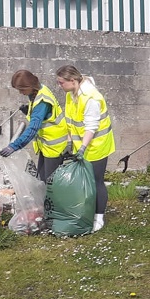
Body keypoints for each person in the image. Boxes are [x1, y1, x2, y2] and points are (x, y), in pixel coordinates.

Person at [55, 65, 116, 232]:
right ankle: (86, 213)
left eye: (61, 82)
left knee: (96, 181)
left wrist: (82, 148)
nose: (59, 86)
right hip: (81, 145)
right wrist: (69, 143)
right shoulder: (70, 94)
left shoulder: (91, 98)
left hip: (97, 145)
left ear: (72, 80)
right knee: (84, 183)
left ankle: (99, 217)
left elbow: (91, 126)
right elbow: (70, 121)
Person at [0, 70, 68, 183]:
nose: (21, 93)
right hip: (47, 144)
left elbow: (33, 129)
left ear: (29, 86)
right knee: (42, 180)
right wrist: (28, 111)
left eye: (22, 89)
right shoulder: (40, 90)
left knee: (50, 184)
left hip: (54, 146)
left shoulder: (42, 101)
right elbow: (44, 117)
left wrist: (14, 146)